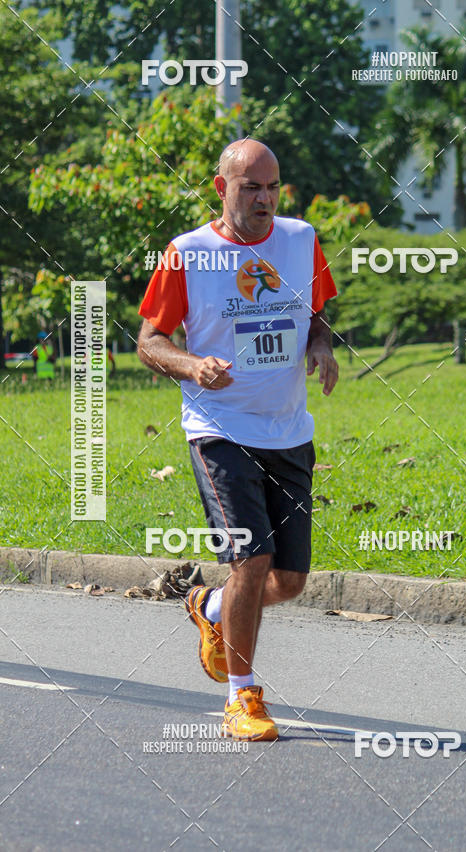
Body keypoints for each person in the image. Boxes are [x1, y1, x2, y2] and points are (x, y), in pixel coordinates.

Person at [137, 139, 338, 741]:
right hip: (219, 430)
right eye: (251, 186)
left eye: (272, 186)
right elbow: (149, 340)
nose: (264, 198)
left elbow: (319, 310)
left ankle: (213, 608)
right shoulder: (186, 254)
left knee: (290, 580)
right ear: (220, 187)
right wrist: (193, 365)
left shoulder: (301, 240)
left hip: (289, 431)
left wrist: (321, 345)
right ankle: (242, 698)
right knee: (251, 559)